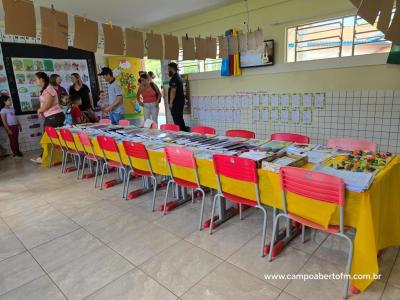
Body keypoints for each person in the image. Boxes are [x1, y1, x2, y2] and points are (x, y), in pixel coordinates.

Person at [31, 72, 65, 164]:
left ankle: (44, 158)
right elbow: (45, 104)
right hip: (51, 116)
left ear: (41, 79)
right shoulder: (45, 89)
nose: (35, 81)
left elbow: (48, 104)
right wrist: (42, 111)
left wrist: (39, 110)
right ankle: (51, 158)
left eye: (36, 79)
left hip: (55, 116)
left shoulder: (49, 88)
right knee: (50, 138)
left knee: (47, 137)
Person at [167, 62, 187, 131]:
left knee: (177, 120)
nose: (167, 71)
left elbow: (173, 91)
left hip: (176, 102)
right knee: (179, 119)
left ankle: (182, 134)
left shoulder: (174, 78)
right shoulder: (178, 76)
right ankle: (183, 133)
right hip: (180, 101)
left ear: (172, 69)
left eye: (168, 69)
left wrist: (171, 103)